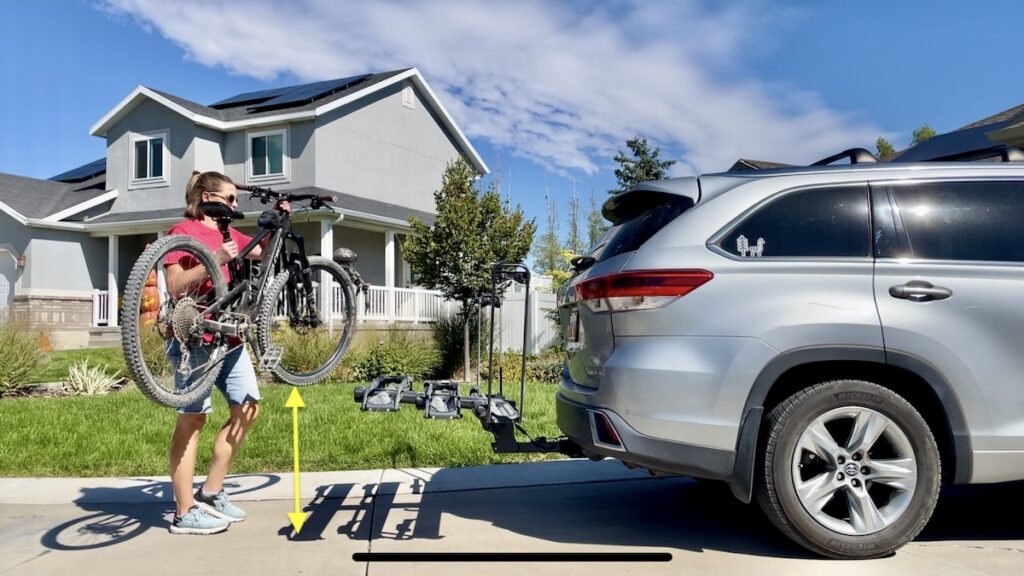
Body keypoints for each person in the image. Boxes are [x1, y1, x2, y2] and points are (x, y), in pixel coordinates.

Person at [162, 170, 287, 534]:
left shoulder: (227, 231)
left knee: (248, 408)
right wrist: (215, 257)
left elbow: (263, 250)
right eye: (230, 200)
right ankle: (184, 512)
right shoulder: (182, 233)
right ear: (206, 198)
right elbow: (174, 285)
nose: (235, 206)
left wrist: (279, 218)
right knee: (193, 418)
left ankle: (212, 491)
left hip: (230, 337)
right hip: (194, 337)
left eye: (237, 200)